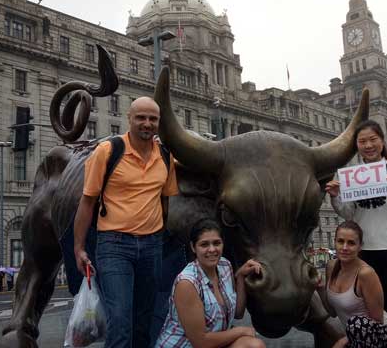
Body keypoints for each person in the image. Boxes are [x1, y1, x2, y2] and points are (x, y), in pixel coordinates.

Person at [73, 96, 179, 348]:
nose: (147, 123)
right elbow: (87, 202)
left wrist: (159, 233)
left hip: (152, 246)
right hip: (114, 245)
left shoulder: (165, 156)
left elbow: (165, 200)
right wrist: (79, 247)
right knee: (120, 320)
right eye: (141, 117)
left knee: (144, 320)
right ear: (128, 118)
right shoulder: (108, 151)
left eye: (153, 119)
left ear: (159, 123)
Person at [325, 120, 387, 348]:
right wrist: (336, 196)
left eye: (372, 140)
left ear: (382, 141)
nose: (368, 145)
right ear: (356, 145)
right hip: (365, 254)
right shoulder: (352, 175)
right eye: (362, 141)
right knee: (370, 310)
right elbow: (349, 214)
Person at [155, 219, 266, 348]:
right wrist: (241, 331)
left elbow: (237, 313)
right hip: (185, 345)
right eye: (204, 244)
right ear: (193, 247)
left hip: (212, 344)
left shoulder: (225, 266)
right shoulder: (187, 283)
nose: (212, 249)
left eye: (216, 243)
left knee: (254, 345)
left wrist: (240, 277)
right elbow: (201, 342)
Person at [318, 221, 387, 348]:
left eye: (351, 243)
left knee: (356, 323)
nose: (344, 247)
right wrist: (321, 288)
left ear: (360, 246)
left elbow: (377, 322)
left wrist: (343, 341)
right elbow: (333, 313)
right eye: (340, 241)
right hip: (357, 338)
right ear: (335, 242)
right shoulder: (331, 267)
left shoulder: (365, 274)